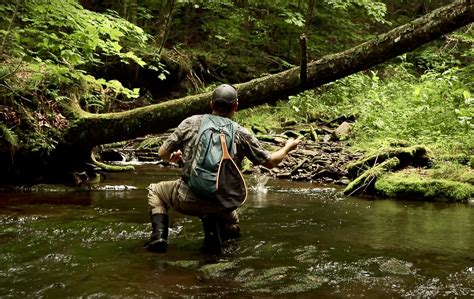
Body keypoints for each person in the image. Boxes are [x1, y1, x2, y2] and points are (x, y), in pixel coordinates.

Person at [145, 84, 302, 253]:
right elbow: (270, 162)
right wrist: (287, 147)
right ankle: (219, 250)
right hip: (222, 203)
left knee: (156, 191)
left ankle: (159, 237)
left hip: (186, 198)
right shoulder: (241, 133)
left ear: (211, 104)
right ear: (236, 106)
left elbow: (162, 153)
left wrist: (178, 160)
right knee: (232, 223)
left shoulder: (190, 123)